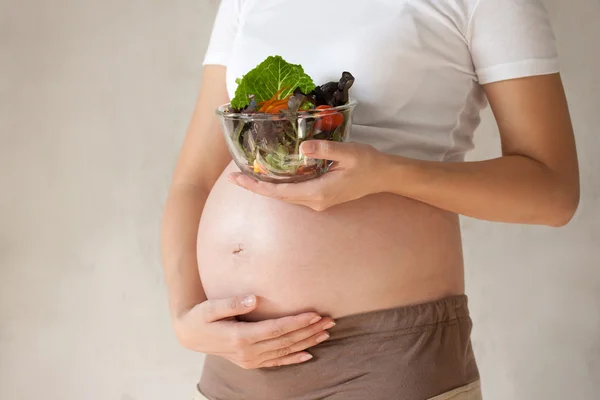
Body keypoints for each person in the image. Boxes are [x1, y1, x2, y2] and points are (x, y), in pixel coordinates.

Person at [160, 0, 579, 399]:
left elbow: (552, 191)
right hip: (237, 359)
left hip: (387, 359)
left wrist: (387, 174)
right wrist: (185, 316)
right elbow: (194, 180)